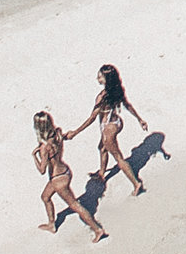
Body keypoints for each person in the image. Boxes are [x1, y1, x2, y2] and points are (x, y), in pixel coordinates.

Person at [65, 63, 150, 197]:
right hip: (116, 122)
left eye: (100, 77)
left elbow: (92, 118)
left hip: (108, 127)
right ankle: (101, 174)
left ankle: (136, 183)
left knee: (118, 158)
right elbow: (127, 105)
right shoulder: (117, 90)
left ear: (106, 79)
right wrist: (139, 119)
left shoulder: (102, 97)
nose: (97, 79)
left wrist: (74, 132)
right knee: (102, 148)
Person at [32, 110, 104, 241]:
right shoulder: (57, 133)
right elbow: (65, 138)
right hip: (65, 171)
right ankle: (52, 224)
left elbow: (42, 170)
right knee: (45, 197)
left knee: (75, 205)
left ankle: (97, 229)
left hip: (57, 179)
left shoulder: (44, 148)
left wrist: (34, 156)